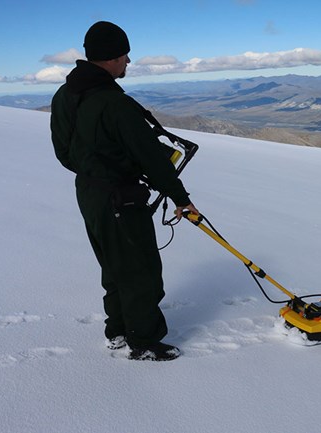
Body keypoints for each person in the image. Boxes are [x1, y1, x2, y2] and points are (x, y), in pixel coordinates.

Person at [50, 21, 198, 361]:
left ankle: (117, 330)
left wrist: (96, 171)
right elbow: (152, 159)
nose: (128, 61)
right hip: (121, 197)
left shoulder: (64, 95)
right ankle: (143, 342)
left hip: (89, 194)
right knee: (141, 270)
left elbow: (63, 152)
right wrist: (180, 198)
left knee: (114, 265)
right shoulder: (114, 104)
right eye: (124, 55)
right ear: (110, 58)